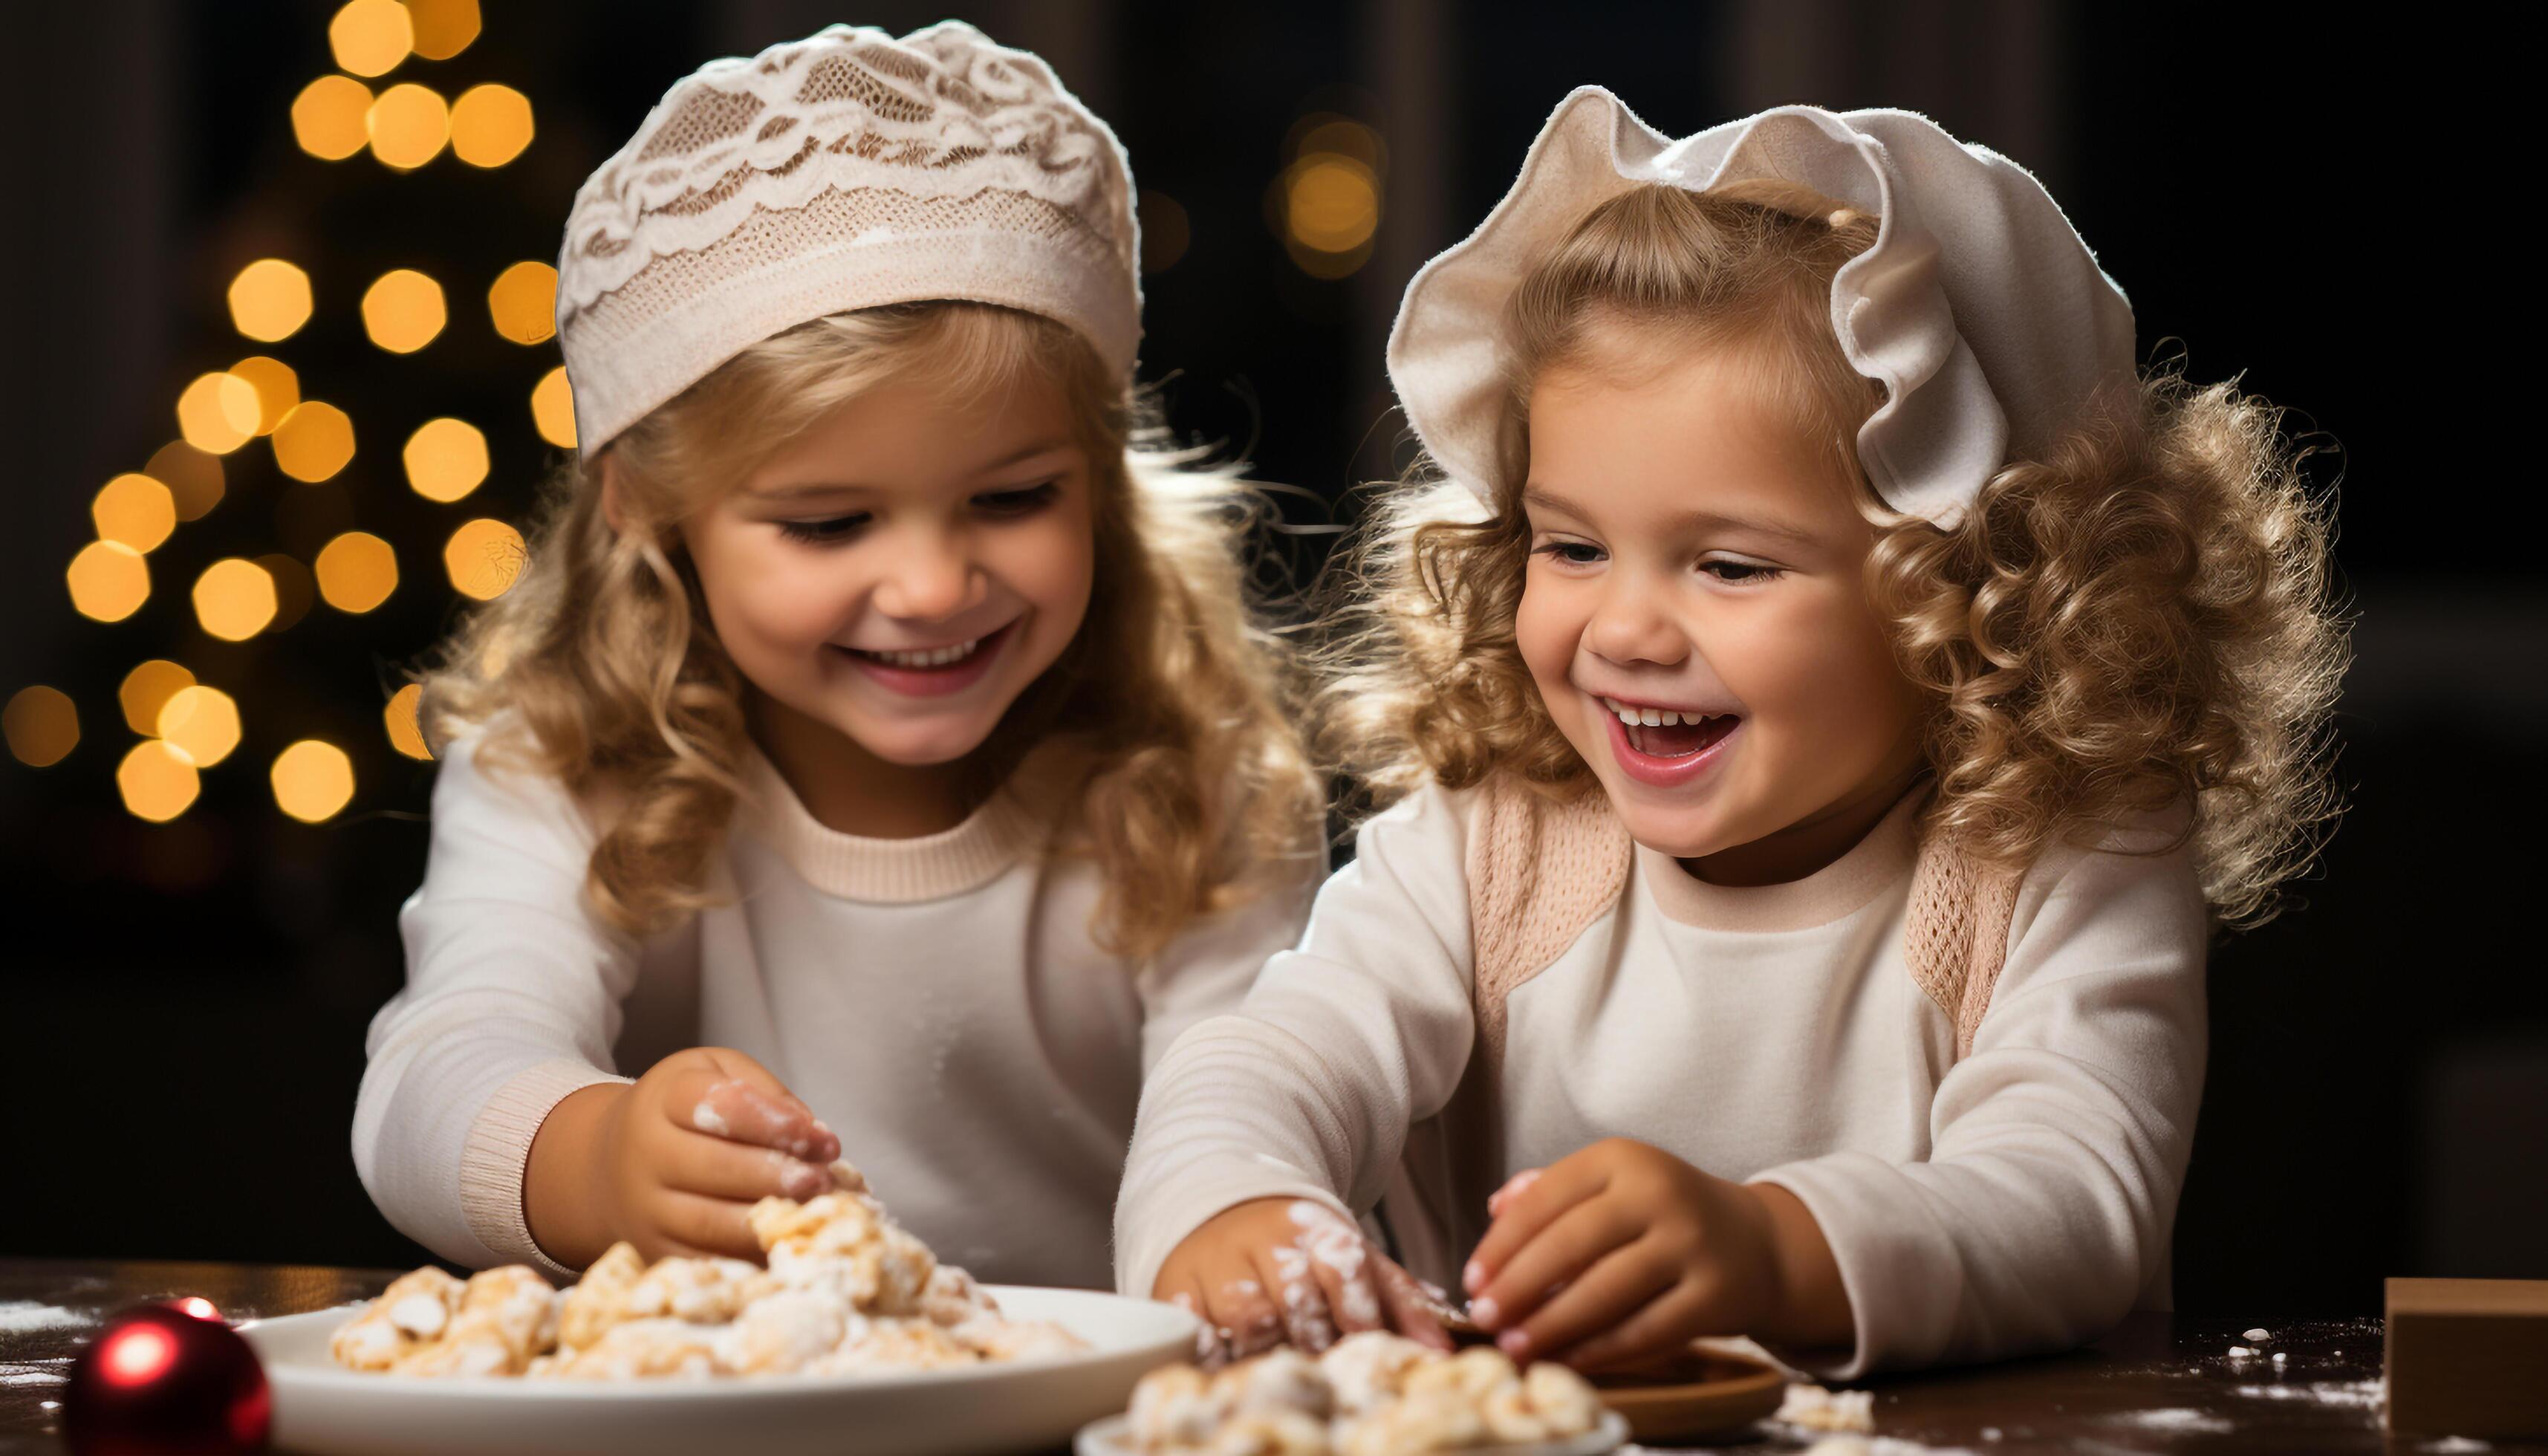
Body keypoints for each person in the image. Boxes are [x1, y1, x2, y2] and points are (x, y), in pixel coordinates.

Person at [1117, 96, 2344, 1377]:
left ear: (1976, 595)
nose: (1626, 630)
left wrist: (1772, 1251)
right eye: (1573, 546)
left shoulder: (2057, 860)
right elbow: (1269, 1058)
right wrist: (1234, 1206)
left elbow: (2069, 1194)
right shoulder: (1493, 846)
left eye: (1730, 565)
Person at [353, 22, 1322, 1291]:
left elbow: (1249, 1099)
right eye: (827, 523)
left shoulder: (1196, 770)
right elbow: (442, 1066)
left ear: (1101, 475)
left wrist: (1238, 1227)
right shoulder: (564, 758)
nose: (929, 587)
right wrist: (593, 1160)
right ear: (646, 505)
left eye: (1014, 499)